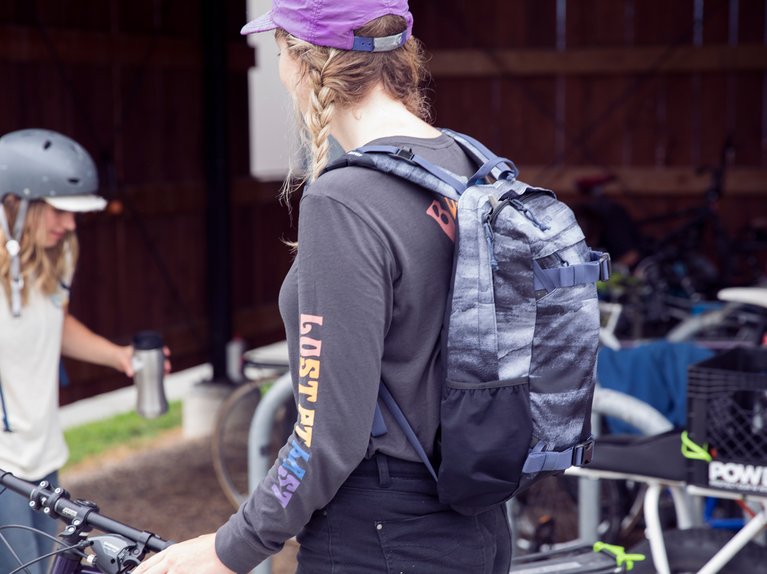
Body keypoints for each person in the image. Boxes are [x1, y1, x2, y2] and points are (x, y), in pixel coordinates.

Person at [134, 1, 511, 573]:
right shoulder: (466, 163)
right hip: (475, 527)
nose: (282, 71)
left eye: (280, 51)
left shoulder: (346, 199)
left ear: (307, 61)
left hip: (382, 539)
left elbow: (326, 435)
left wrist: (229, 550)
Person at [0, 128, 167, 574]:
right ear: (16, 204)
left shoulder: (58, 253)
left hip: (43, 456)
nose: (72, 225)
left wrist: (118, 356)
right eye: (60, 212)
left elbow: (56, 324)